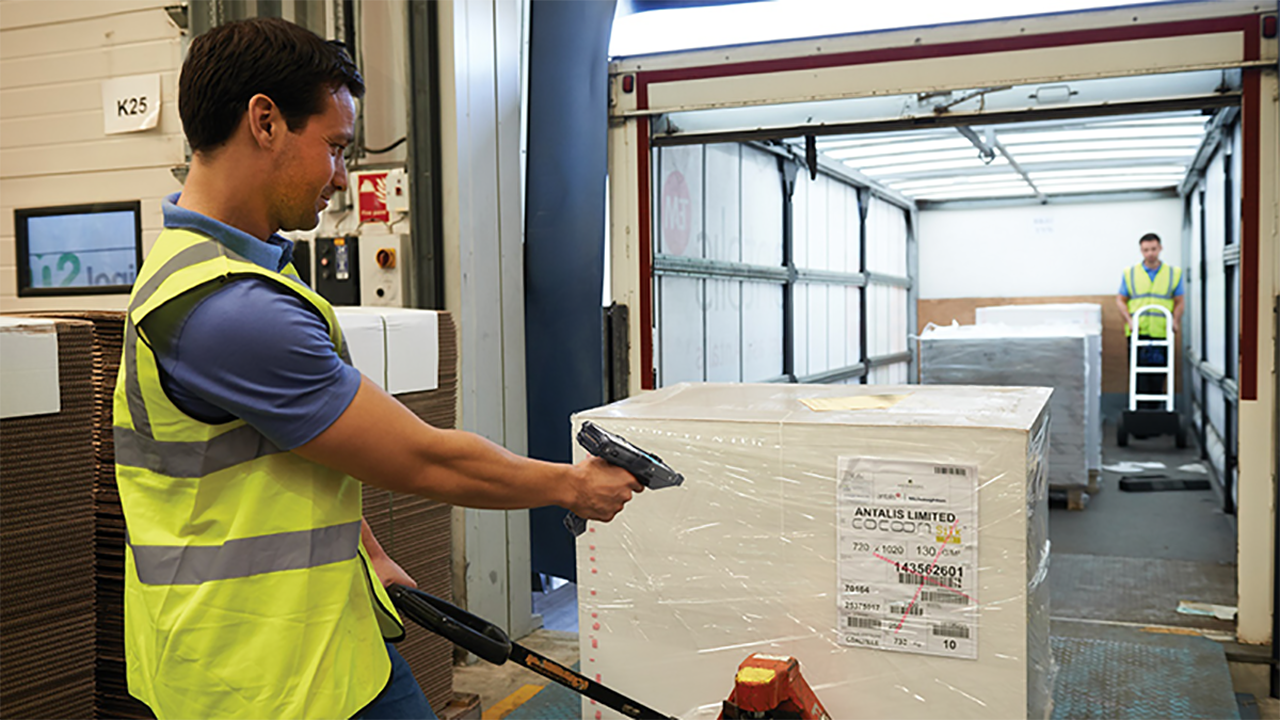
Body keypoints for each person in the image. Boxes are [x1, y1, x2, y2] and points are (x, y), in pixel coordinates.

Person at [111, 17, 641, 720]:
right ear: (264, 121)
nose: (341, 175)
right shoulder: (228, 311)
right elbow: (424, 461)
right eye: (333, 147)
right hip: (261, 681)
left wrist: (367, 552)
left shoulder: (216, 275)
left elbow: (290, 447)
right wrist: (570, 486)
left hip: (322, 632)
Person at [1115, 232, 1184, 403]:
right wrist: (1129, 321)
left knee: (1159, 375)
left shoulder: (1173, 273)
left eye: (1153, 249)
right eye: (1146, 250)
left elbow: (1180, 301)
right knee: (1139, 377)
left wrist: (1175, 321)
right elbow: (1120, 300)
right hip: (1139, 333)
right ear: (1141, 251)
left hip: (1162, 334)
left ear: (1160, 248)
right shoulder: (1130, 273)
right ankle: (1139, 415)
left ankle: (1156, 414)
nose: (1150, 253)